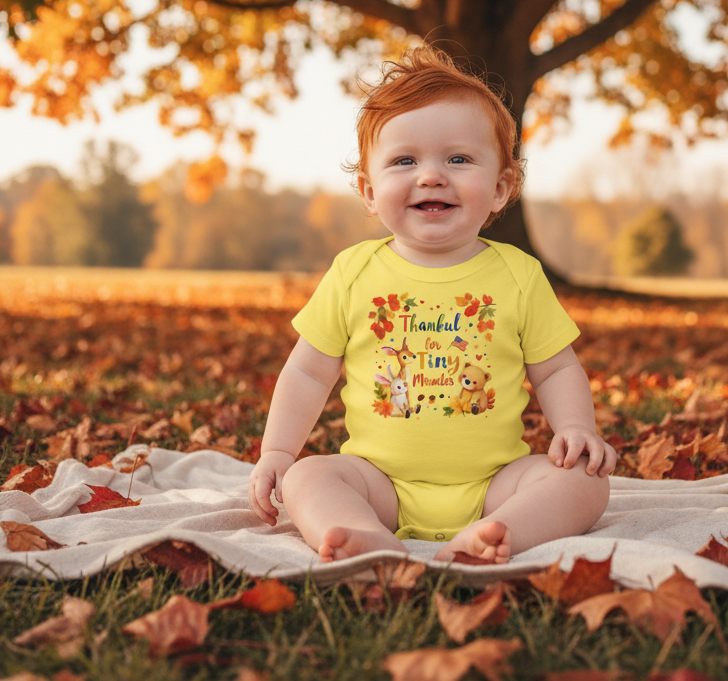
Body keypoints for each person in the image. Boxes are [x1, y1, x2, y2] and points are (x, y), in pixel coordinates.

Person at [247, 46, 617, 564]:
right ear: (370, 191)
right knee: (310, 475)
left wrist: (576, 430)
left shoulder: (518, 274)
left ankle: (499, 533)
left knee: (586, 482)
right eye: (405, 161)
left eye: (458, 159)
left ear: (500, 189)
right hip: (380, 485)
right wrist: (278, 453)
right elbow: (308, 373)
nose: (431, 176)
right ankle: (361, 534)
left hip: (496, 484)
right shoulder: (354, 273)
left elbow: (555, 369)